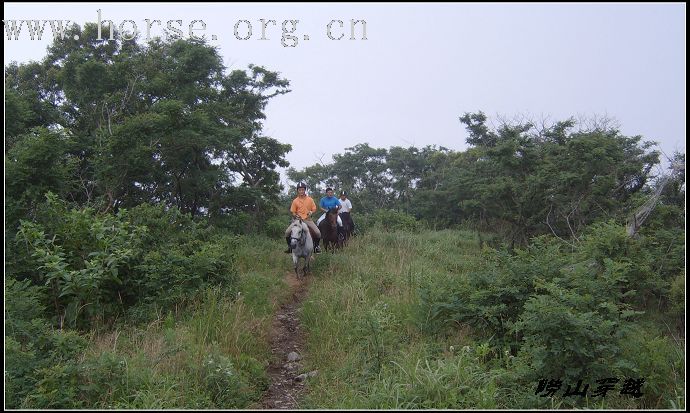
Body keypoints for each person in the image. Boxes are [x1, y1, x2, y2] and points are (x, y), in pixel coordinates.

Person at [285, 182, 322, 253]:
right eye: (300, 190)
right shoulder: (295, 201)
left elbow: (314, 208)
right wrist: (295, 215)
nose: (301, 191)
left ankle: (316, 247)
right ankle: (290, 247)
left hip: (308, 219)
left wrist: (311, 212)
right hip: (298, 220)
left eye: (302, 190)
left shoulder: (310, 199)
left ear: (305, 190)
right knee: (287, 232)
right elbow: (293, 211)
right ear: (297, 191)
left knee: (318, 233)